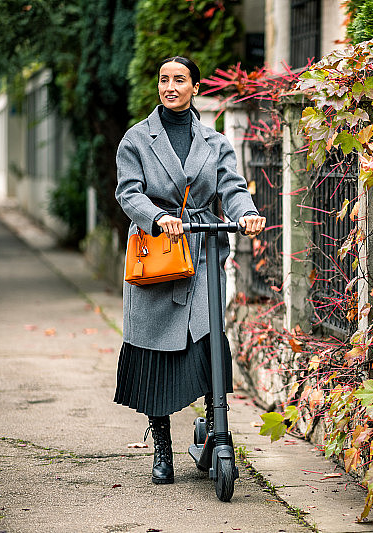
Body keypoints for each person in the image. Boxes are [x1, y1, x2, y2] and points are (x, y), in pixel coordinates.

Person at [114, 56, 266, 484]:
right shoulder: (136, 139)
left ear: (195, 87)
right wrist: (156, 217)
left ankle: (217, 431)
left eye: (179, 79)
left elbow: (232, 188)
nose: (170, 86)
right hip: (155, 253)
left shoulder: (215, 141)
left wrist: (248, 213)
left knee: (207, 342)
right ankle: (161, 446)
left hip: (200, 254)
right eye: (163, 79)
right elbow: (128, 192)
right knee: (155, 350)